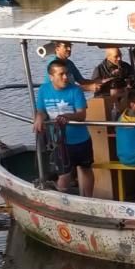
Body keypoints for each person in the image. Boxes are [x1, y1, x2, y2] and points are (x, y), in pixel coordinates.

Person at [33, 59, 94, 197]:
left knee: (86, 168)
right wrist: (39, 118)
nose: (66, 77)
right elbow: (41, 110)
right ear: (51, 77)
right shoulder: (44, 89)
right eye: (61, 74)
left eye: (67, 73)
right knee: (64, 173)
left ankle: (89, 198)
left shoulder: (75, 90)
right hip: (60, 141)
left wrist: (68, 117)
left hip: (80, 139)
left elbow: (81, 114)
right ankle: (62, 200)